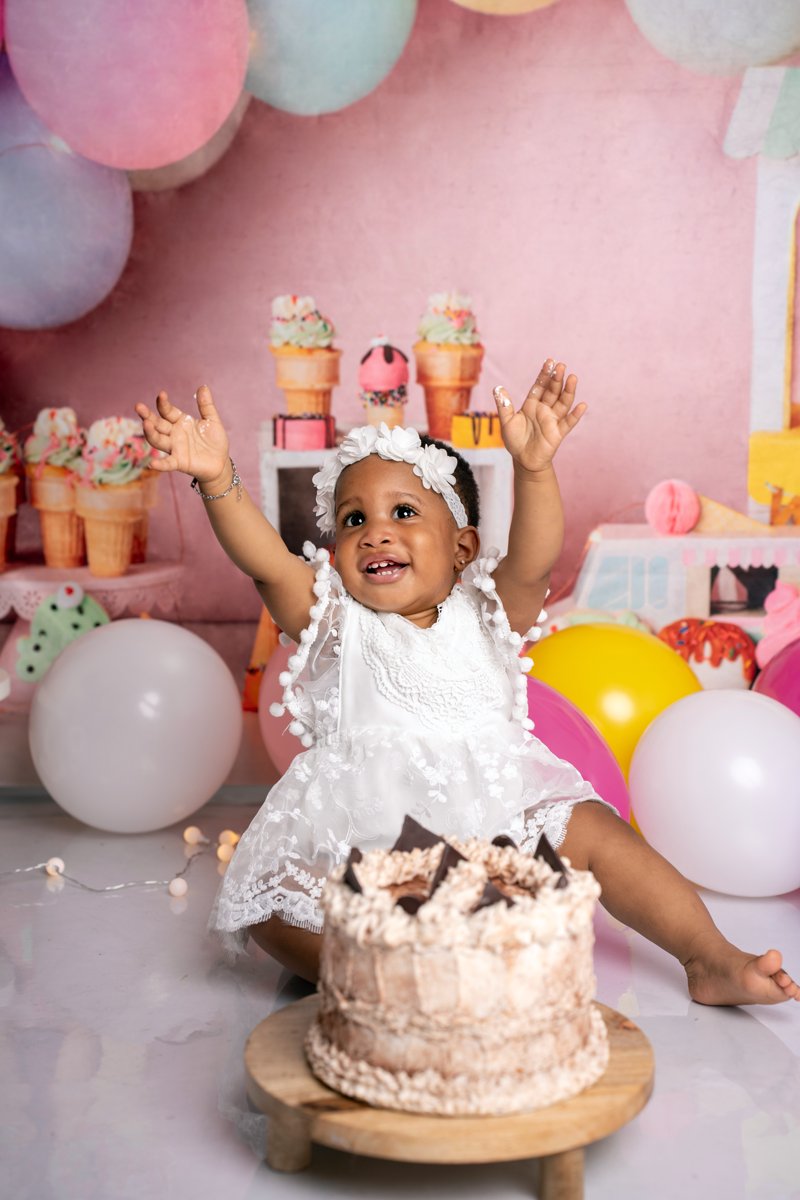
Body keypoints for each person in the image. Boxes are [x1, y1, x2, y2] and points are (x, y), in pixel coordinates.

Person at [136, 360, 799, 1006]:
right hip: (366, 837)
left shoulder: (482, 616)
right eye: (353, 520)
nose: (375, 535)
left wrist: (534, 467)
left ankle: (706, 955)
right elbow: (269, 565)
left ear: (460, 549)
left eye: (403, 512)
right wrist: (218, 478)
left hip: (493, 819)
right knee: (273, 898)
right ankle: (371, 979)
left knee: (600, 831)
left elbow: (536, 560)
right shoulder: (340, 621)